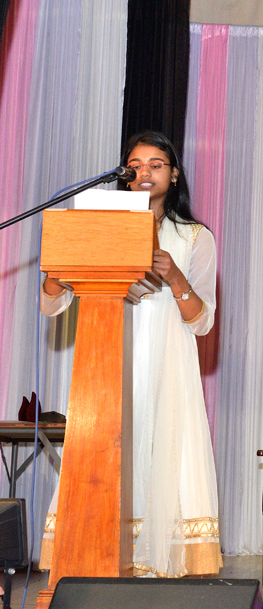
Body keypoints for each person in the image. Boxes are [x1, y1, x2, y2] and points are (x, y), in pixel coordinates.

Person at [39, 131, 221, 577]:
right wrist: (61, 261)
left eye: (156, 164)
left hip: (167, 363)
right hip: (106, 360)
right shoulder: (101, 226)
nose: (145, 173)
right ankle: (92, 551)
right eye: (135, 165)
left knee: (162, 448)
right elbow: (51, 304)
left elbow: (202, 323)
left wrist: (175, 276)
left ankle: (162, 557)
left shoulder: (194, 236)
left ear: (174, 175)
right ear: (124, 175)